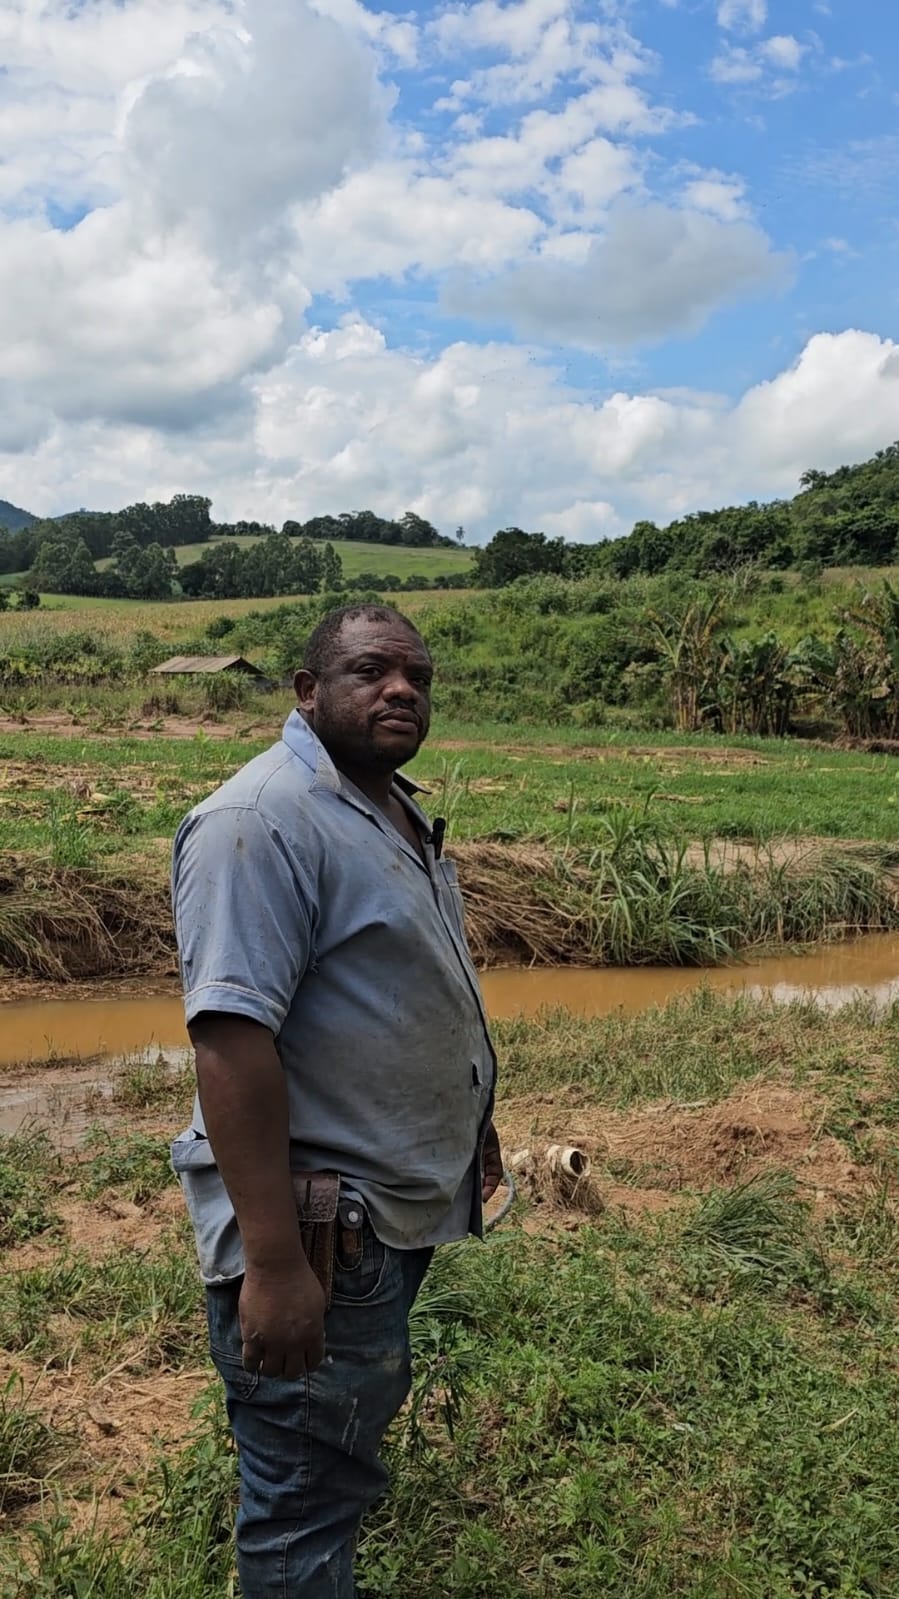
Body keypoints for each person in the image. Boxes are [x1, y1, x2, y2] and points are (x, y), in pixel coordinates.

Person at [171, 603, 502, 1598]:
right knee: (303, 1503)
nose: (401, 689)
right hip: (319, 1232)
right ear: (306, 692)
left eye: (417, 676)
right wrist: (273, 1264)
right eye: (369, 671)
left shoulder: (382, 805)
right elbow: (230, 1042)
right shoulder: (259, 821)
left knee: (329, 1471)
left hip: (378, 1222)